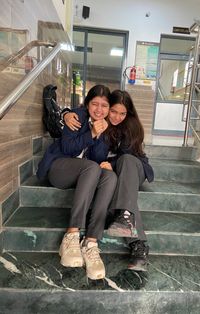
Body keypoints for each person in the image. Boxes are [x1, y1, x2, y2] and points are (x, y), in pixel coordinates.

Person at [64, 89, 154, 271]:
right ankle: (137, 242)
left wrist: (111, 164)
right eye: (113, 111)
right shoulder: (98, 123)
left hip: (134, 170)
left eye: (123, 113)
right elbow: (84, 112)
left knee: (126, 162)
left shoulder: (132, 127)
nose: (117, 117)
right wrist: (65, 114)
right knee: (118, 187)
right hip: (113, 175)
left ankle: (127, 222)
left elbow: (127, 156)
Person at [37, 85, 117, 280]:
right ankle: (71, 235)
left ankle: (91, 242)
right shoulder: (77, 116)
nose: (99, 110)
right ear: (87, 104)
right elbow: (67, 147)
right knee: (91, 167)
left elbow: (97, 158)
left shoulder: (106, 127)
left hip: (85, 175)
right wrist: (91, 134)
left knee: (110, 177)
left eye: (104, 106)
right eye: (95, 104)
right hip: (59, 169)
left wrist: (100, 136)